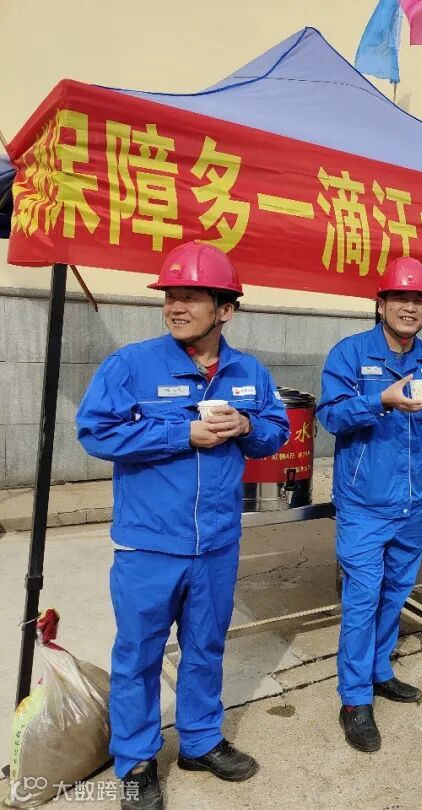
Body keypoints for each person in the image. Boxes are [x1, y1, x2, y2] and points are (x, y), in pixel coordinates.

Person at [76, 242, 290, 810]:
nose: (176, 306)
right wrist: (180, 434)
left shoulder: (249, 372)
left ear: (226, 309)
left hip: (217, 543)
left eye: (192, 297)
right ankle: (136, 761)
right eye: (171, 295)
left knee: (205, 646)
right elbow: (95, 432)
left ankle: (199, 740)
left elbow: (276, 432)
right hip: (150, 544)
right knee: (139, 655)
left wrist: (247, 425)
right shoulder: (131, 365)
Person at [316, 256, 422, 754]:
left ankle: (378, 670)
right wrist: (381, 400)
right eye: (400, 298)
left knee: (395, 593)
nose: (409, 308)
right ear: (381, 304)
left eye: (419, 300)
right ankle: (354, 700)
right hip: (364, 504)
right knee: (363, 598)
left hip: (413, 502)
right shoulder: (350, 354)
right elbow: (330, 417)